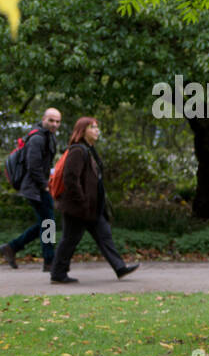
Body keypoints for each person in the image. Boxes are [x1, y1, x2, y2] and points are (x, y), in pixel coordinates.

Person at [49, 117, 138, 284]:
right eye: (93, 127)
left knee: (104, 236)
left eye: (97, 127)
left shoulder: (89, 150)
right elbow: (70, 178)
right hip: (78, 207)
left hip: (92, 207)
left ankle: (120, 267)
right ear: (83, 131)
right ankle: (57, 273)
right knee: (70, 239)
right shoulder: (77, 150)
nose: (97, 131)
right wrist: (81, 200)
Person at [1, 107, 61, 272]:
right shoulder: (37, 138)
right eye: (51, 120)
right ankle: (49, 261)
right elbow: (33, 166)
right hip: (35, 188)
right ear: (43, 119)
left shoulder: (49, 137)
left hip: (38, 187)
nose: (54, 124)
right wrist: (45, 185)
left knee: (46, 223)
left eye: (57, 121)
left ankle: (12, 247)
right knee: (48, 223)